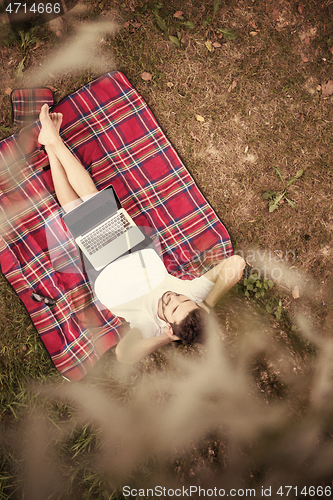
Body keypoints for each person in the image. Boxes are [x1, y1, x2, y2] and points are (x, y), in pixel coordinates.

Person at [38, 104, 246, 365]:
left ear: (169, 326)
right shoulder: (193, 300)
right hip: (134, 254)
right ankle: (49, 146)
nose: (173, 298)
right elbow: (236, 264)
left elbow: (124, 355)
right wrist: (208, 304)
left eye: (171, 307)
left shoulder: (151, 326)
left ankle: (54, 141)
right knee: (77, 212)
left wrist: (166, 339)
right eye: (181, 299)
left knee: (93, 203)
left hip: (110, 274)